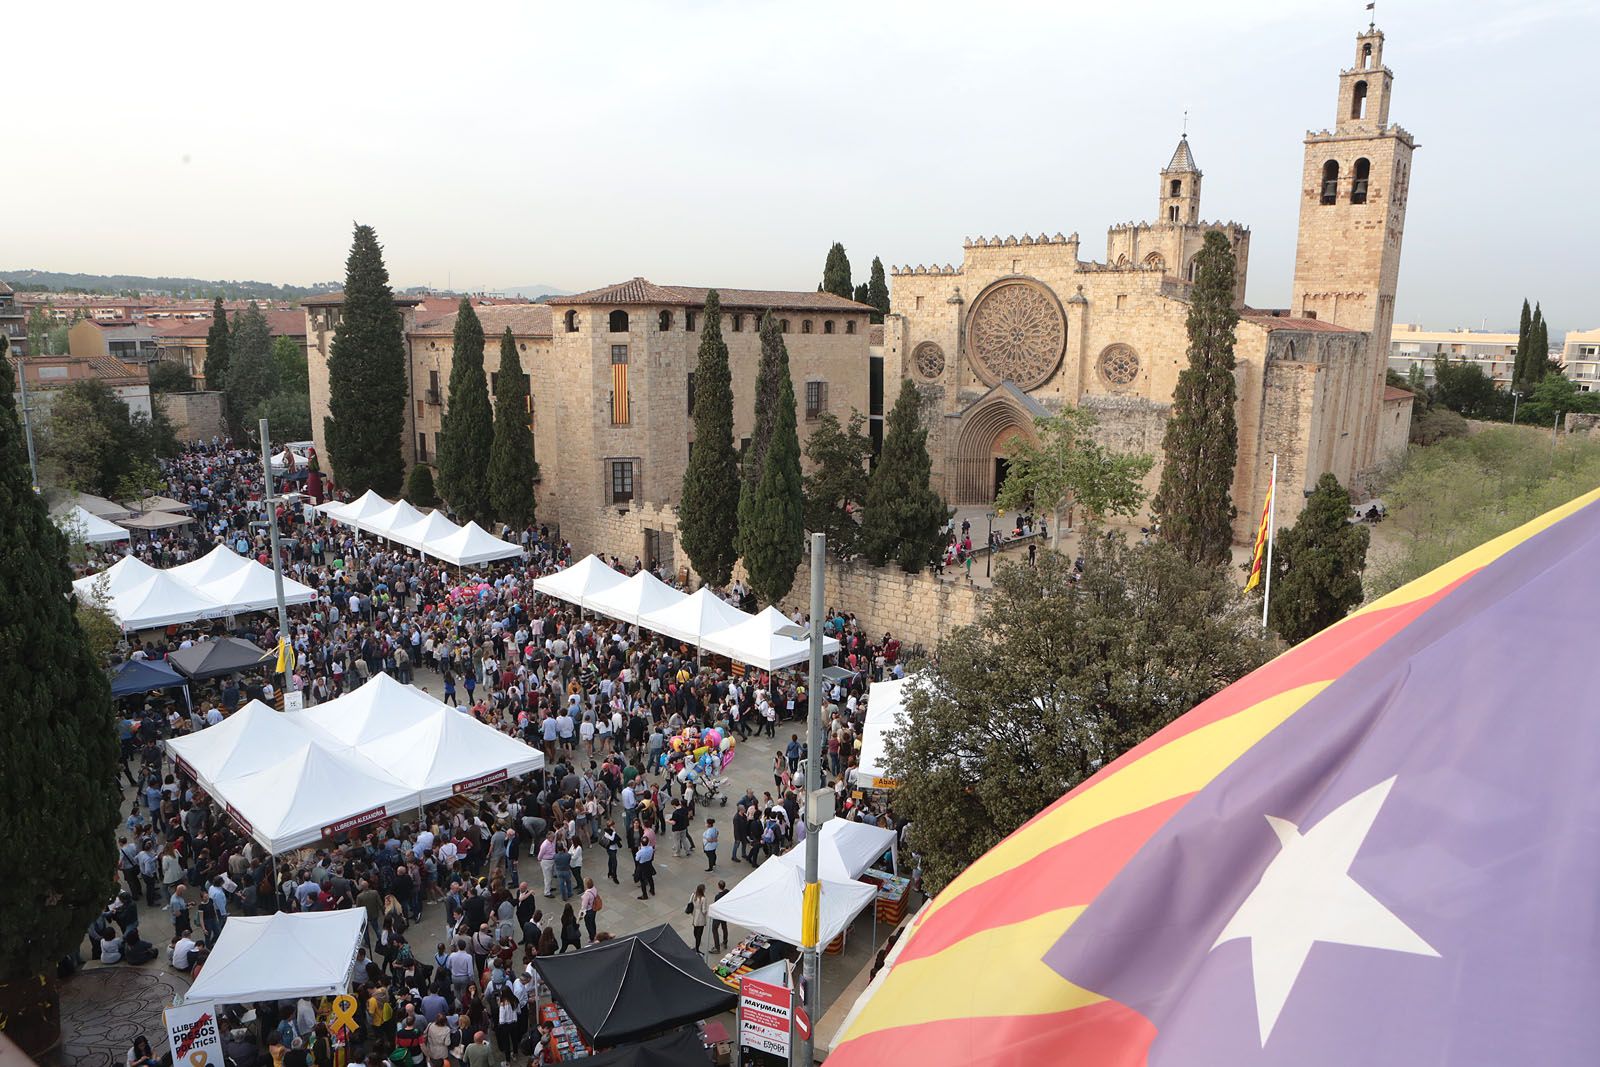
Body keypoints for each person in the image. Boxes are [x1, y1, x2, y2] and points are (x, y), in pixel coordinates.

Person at [578, 879, 601, 944]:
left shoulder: (587, 894)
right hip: (594, 909)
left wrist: (580, 916)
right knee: (593, 922)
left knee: (588, 925)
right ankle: (594, 934)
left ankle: (592, 938)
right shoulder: (594, 889)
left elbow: (584, 907)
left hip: (588, 911)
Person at [687, 883, 709, 953]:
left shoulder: (693, 895)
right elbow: (704, 910)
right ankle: (697, 948)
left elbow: (689, 902)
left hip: (694, 914)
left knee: (695, 929)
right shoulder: (703, 898)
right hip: (700, 917)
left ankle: (697, 940)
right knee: (699, 933)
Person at [710, 880, 731, 953]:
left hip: (719, 914)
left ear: (718, 886)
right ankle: (725, 942)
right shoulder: (727, 891)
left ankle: (717, 947)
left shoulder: (717, 896)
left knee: (714, 929)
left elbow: (716, 906)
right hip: (724, 913)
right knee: (724, 927)